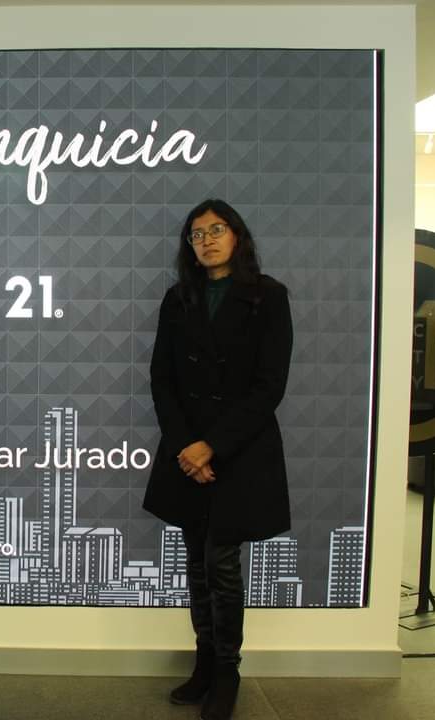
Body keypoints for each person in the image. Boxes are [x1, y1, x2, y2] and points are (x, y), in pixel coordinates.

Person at [142, 199, 292, 720]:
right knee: (197, 563)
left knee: (222, 563)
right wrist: (186, 446)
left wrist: (213, 446)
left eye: (216, 230)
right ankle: (204, 663)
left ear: (237, 236)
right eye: (196, 234)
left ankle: (227, 671)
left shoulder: (268, 296)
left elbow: (270, 385)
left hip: (239, 449)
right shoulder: (178, 298)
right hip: (187, 451)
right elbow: (162, 378)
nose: (206, 240)